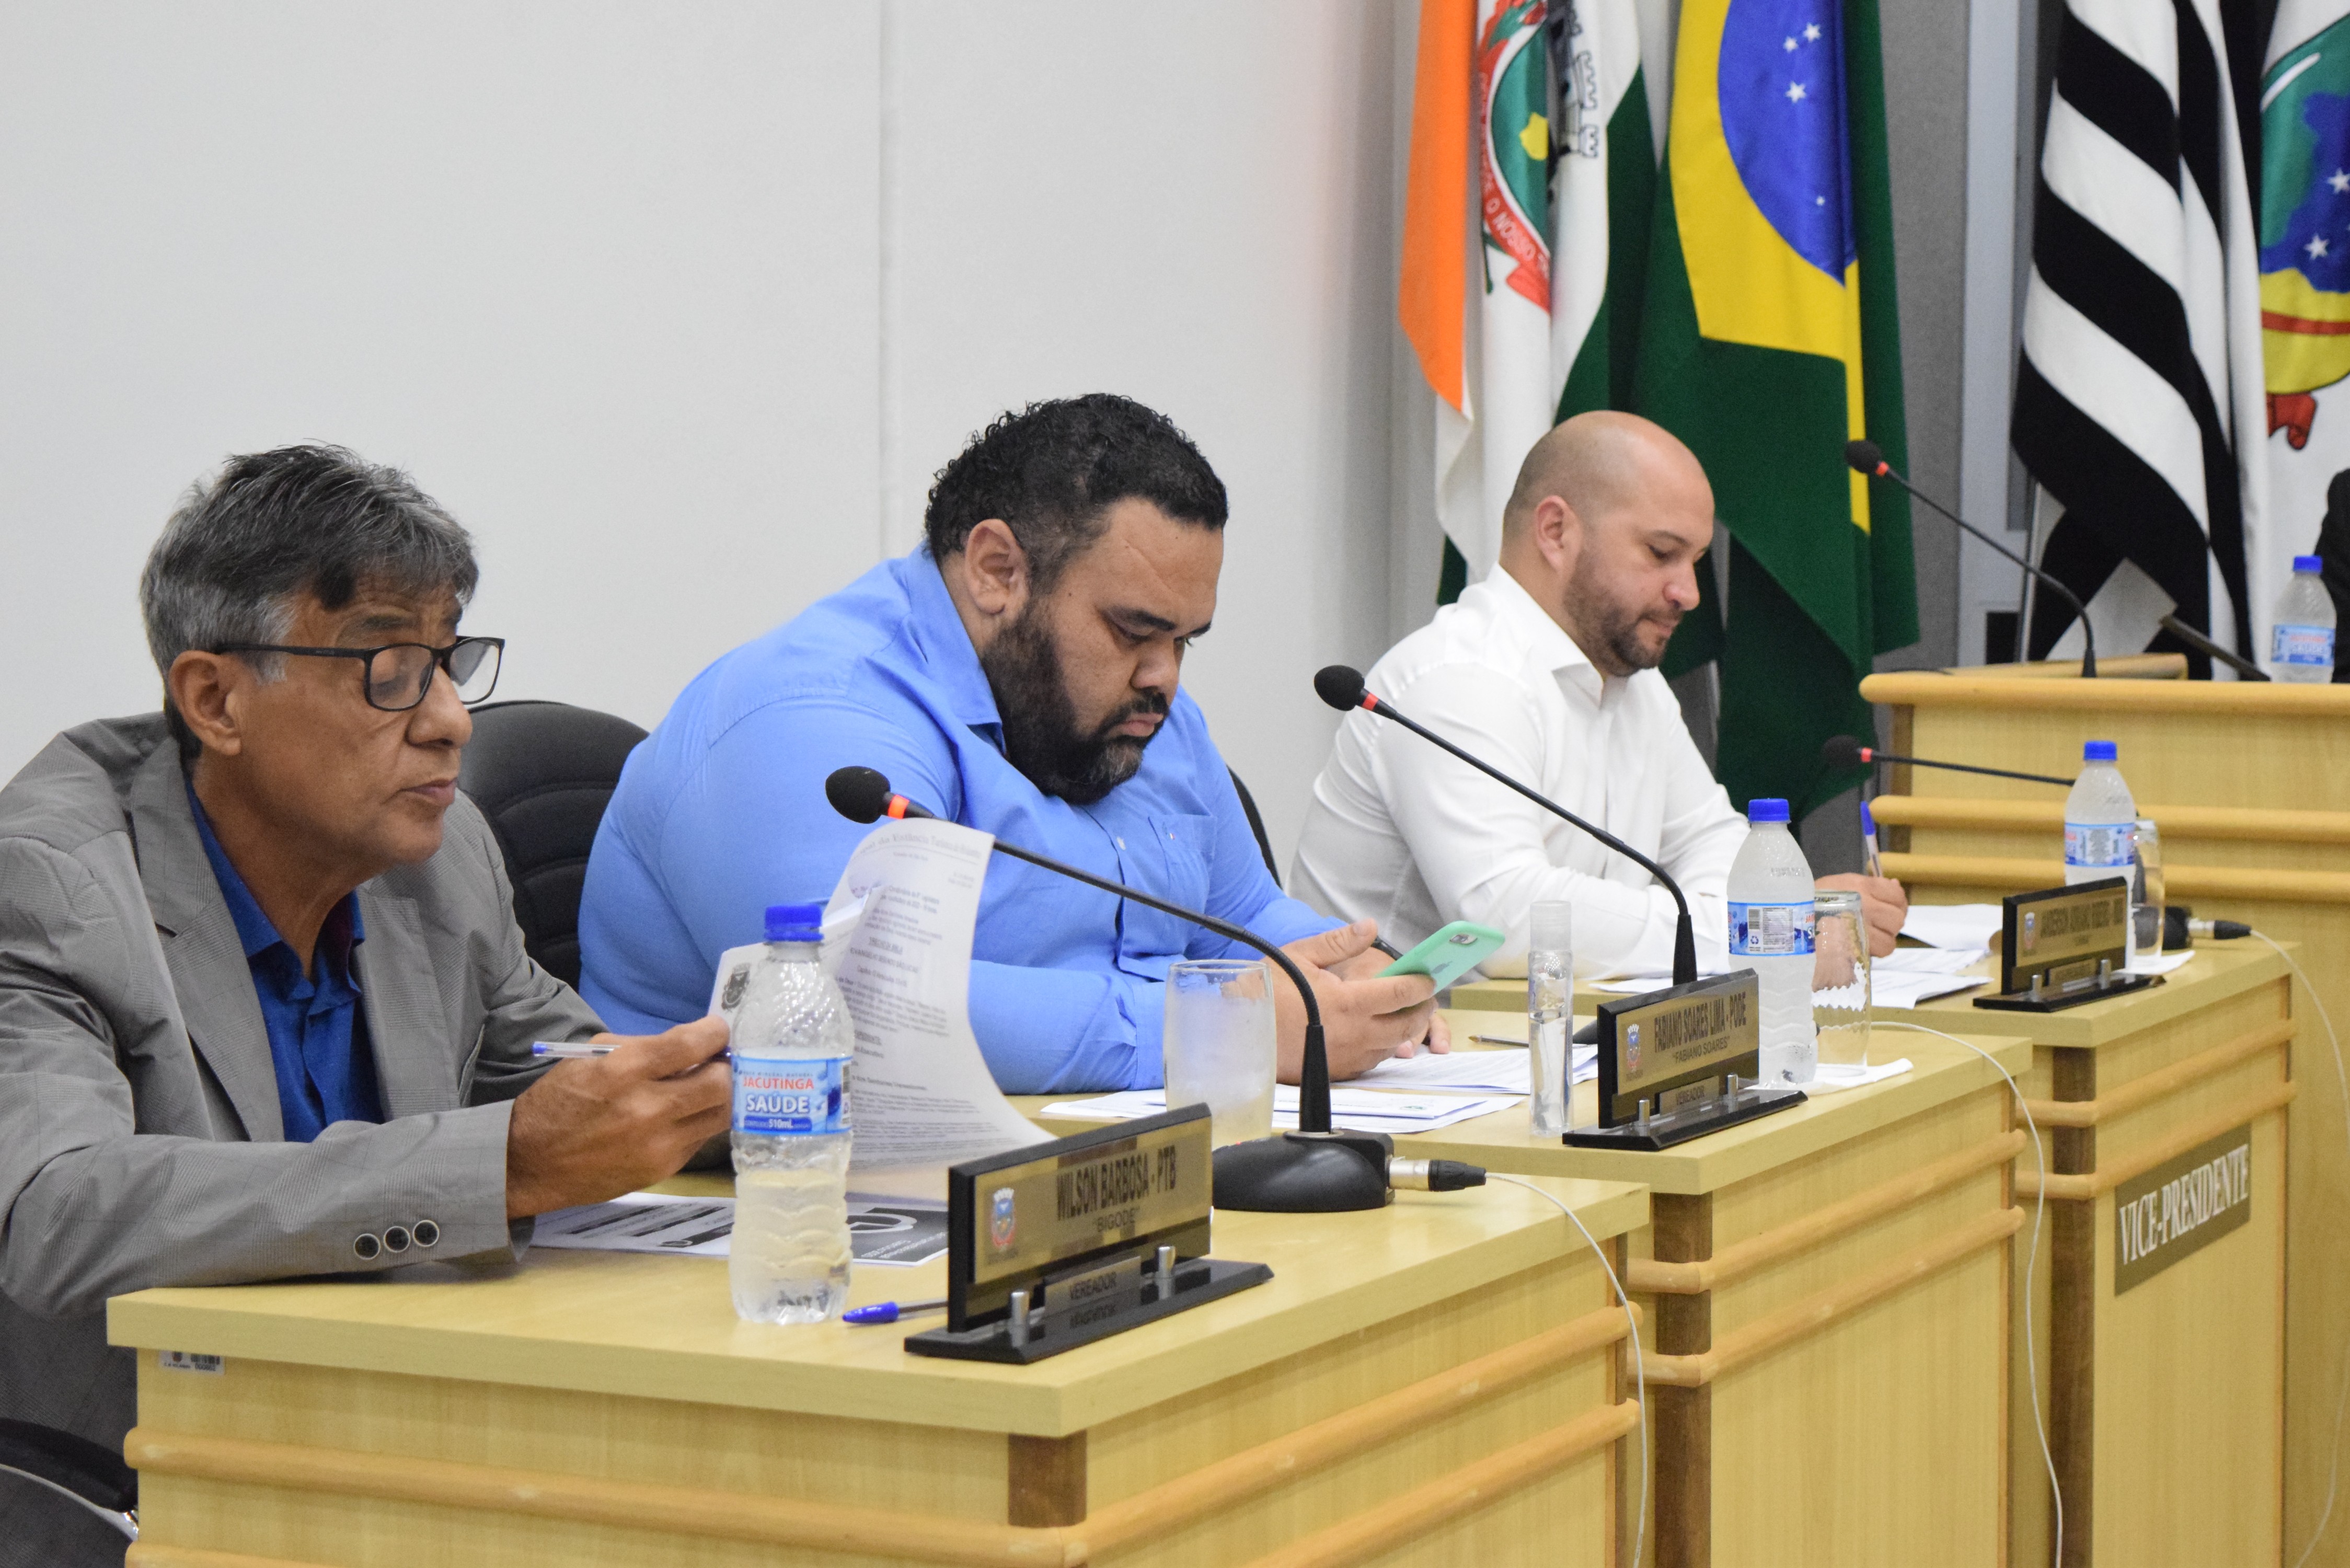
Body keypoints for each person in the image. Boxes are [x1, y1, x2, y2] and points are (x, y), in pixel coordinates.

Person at [0, 447, 731, 1517]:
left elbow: (553, 1067)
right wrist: (501, 1167)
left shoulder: (433, 853)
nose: (450, 719)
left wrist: (735, 1089)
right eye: (388, 668)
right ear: (215, 699)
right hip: (143, 1487)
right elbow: (59, 1213)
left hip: (402, 1432)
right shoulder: (49, 884)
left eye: (447, 660)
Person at [580, 394, 1441, 1093]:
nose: (1165, 677)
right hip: (754, 1202)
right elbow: (862, 999)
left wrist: (1353, 979)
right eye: (1133, 631)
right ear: (998, 571)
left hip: (1060, 1170)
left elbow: (1240, 917)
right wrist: (1213, 1025)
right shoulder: (811, 717)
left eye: (1184, 640)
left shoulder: (1139, 706)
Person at [1289, 411, 1905, 977]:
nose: (1688, 593)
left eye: (1693, 560)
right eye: (1661, 553)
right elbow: (1508, 922)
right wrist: (1761, 935)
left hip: (1559, 1039)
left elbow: (1712, 845)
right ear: (1555, 531)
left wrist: (1756, 923)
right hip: (1422, 1052)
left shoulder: (1635, 686)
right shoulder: (1459, 679)